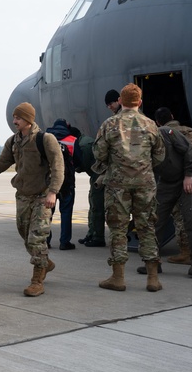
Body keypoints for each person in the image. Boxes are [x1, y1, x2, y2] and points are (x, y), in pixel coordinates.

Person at [0, 102, 64, 297]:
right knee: (25, 236)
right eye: (14, 117)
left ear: (28, 120)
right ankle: (45, 263)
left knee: (36, 239)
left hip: (42, 195)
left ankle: (37, 280)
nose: (15, 121)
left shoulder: (45, 139)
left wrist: (53, 192)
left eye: (18, 118)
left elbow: (58, 166)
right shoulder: (13, 141)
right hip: (22, 196)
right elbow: (0, 164)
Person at [92, 84, 166, 292]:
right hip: (145, 184)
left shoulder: (110, 124)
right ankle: (152, 278)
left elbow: (98, 153)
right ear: (140, 102)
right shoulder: (151, 125)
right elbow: (160, 156)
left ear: (121, 102)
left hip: (118, 185)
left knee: (118, 230)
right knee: (147, 228)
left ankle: (118, 277)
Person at [149, 107, 192, 278]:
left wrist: (189, 175)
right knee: (155, 219)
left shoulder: (166, 132)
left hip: (186, 178)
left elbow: (189, 150)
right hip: (167, 181)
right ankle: (153, 262)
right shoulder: (142, 143)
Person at [161, 110, 192, 265]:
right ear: (172, 117)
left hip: (182, 180)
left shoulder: (167, 135)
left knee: (180, 216)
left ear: (158, 122)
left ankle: (186, 252)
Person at [78, 89, 120, 247]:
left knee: (114, 216)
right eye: (107, 104)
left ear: (120, 100)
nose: (109, 106)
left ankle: (100, 238)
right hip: (139, 176)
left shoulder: (111, 123)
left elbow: (100, 150)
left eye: (111, 103)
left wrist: (103, 168)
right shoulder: (144, 121)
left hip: (115, 175)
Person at [43, 118, 80, 251]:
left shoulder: (44, 138)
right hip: (67, 182)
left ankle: (45, 240)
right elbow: (78, 160)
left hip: (48, 182)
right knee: (66, 212)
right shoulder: (72, 140)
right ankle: (65, 242)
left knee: (47, 213)